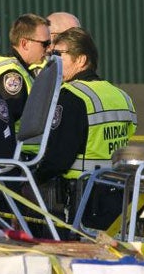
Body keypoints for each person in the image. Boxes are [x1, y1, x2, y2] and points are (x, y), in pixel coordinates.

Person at [38, 27, 137, 218]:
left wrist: (34, 178)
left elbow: (60, 155)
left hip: (83, 195)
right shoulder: (122, 96)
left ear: (81, 60)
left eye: (59, 55)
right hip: (119, 193)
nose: (52, 61)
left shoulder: (72, 96)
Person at [0, 14, 52, 125]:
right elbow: (3, 124)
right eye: (45, 44)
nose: (49, 49)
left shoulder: (16, 67)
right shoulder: (13, 76)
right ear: (24, 44)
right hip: (17, 142)